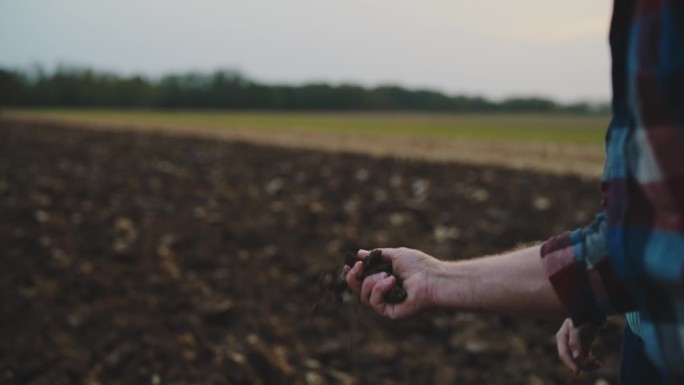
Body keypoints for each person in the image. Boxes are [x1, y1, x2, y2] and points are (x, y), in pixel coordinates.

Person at [343, 0, 683, 382]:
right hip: (649, 330)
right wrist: (595, 300)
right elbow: (644, 210)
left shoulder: (660, 14)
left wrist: (437, 280)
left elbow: (651, 246)